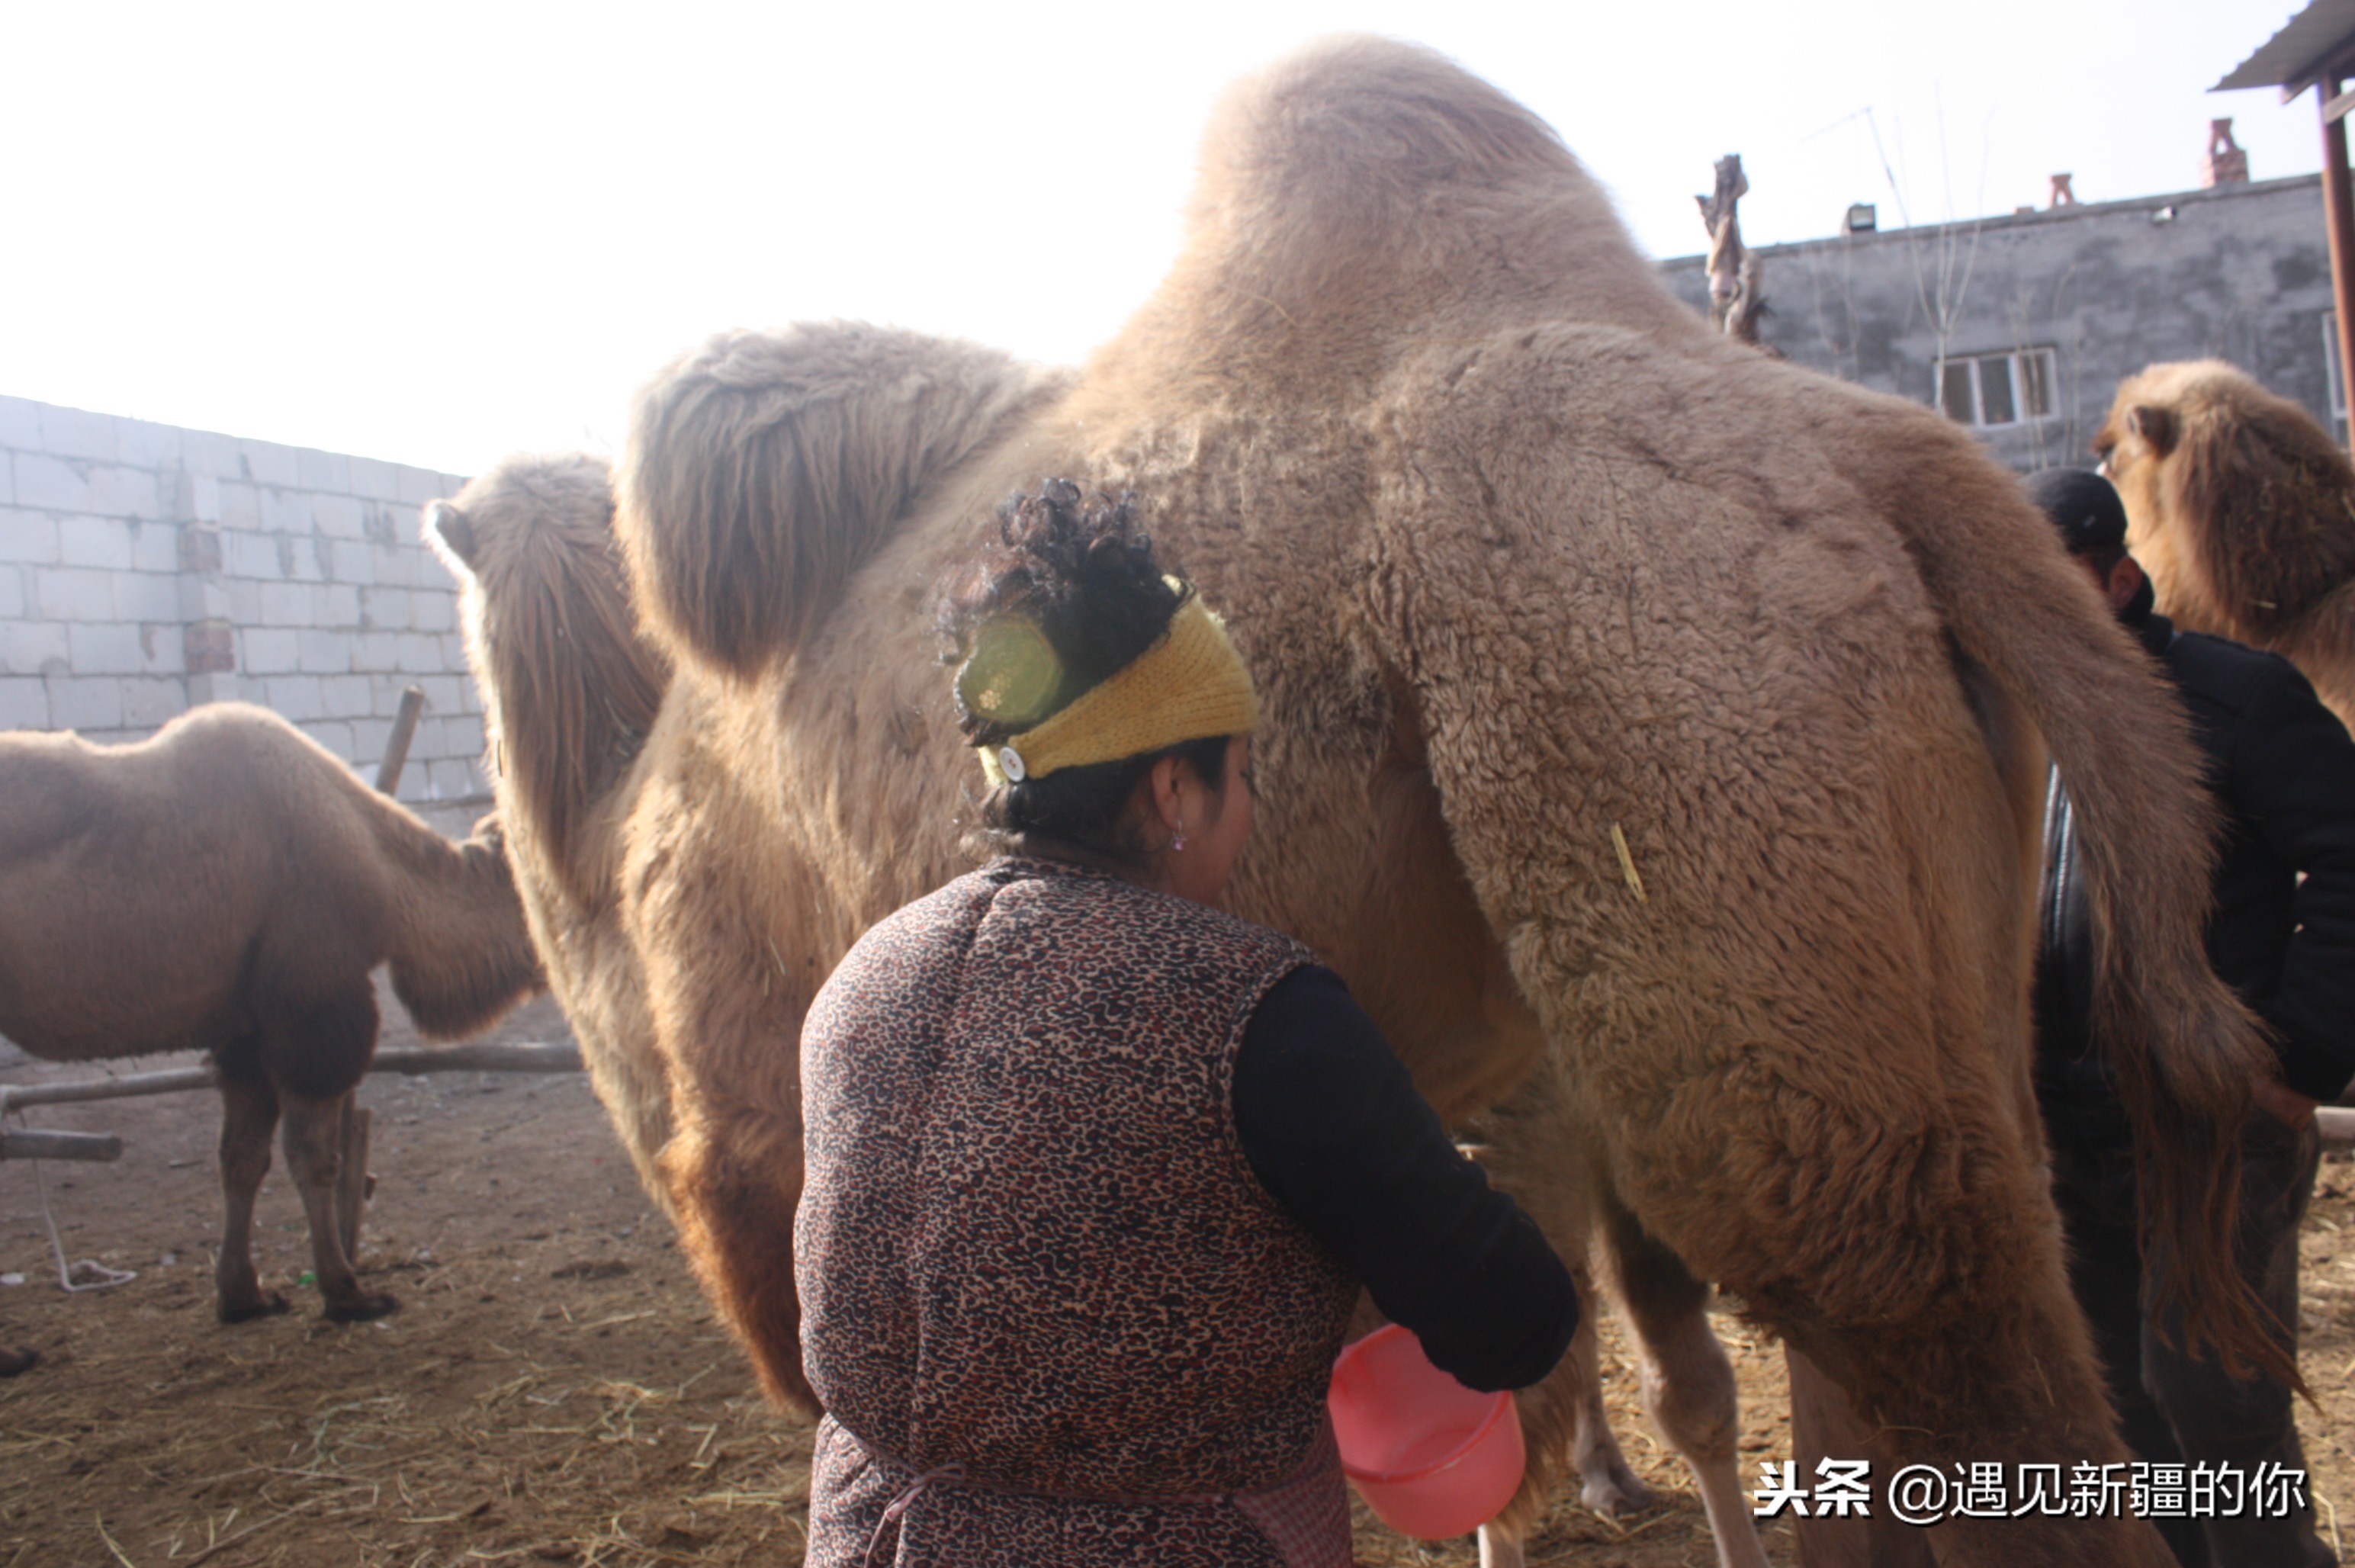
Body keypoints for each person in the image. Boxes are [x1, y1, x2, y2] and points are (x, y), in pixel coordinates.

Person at [794, 480, 1578, 1568]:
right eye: (1242, 777)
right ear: (1171, 792)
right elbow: (1514, 1320)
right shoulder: (1259, 1014)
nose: (1247, 815)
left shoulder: (860, 985)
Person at [2030, 466, 2355, 1568]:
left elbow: (2350, 861)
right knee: (2120, 1399)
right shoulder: (2008, 723)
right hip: (2068, 1132)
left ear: (2120, 578)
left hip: (2213, 1119)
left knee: (2212, 1392)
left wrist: (2300, 1055)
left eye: (2055, 579)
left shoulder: (2237, 699)